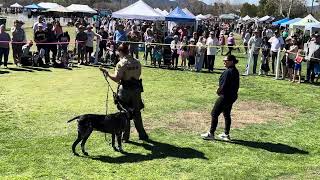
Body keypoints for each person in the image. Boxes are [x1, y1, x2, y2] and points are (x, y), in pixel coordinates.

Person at [99, 44, 149, 142]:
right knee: (136, 112)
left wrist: (107, 73)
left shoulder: (121, 63)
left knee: (125, 113)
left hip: (125, 90)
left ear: (121, 52)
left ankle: (125, 137)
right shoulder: (137, 62)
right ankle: (142, 135)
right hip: (136, 89)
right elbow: (138, 75)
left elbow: (117, 78)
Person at [201, 55, 240, 141]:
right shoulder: (235, 71)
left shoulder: (228, 72)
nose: (224, 62)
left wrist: (219, 91)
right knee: (226, 114)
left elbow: (224, 85)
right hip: (232, 96)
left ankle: (211, 133)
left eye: (226, 60)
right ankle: (226, 134)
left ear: (232, 61)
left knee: (214, 113)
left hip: (225, 96)